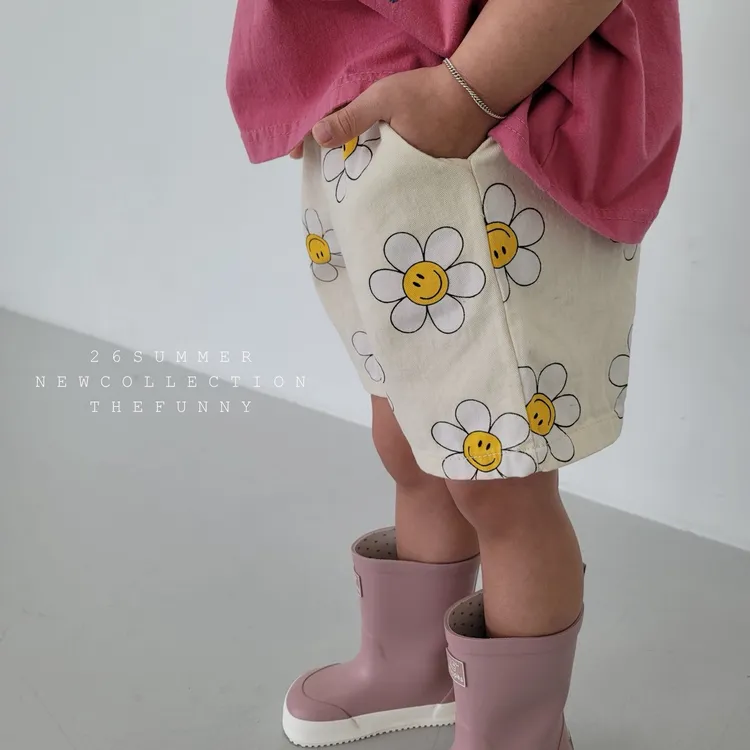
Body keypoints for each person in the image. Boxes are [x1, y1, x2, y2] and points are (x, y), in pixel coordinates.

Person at [226, 1, 682, 748]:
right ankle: (416, 669)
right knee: (409, 438)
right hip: (377, 118)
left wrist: (466, 92)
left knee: (500, 484)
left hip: (494, 110)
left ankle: (518, 735)